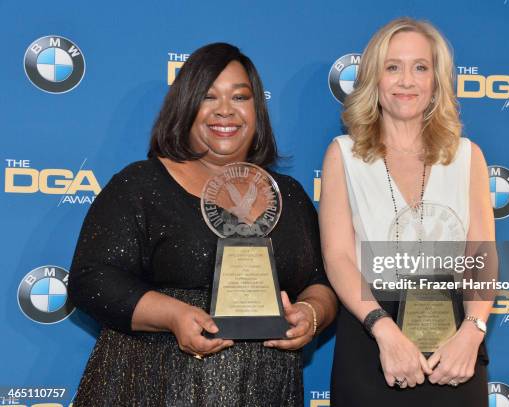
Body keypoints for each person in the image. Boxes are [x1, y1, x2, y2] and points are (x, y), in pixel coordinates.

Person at [68, 42, 337, 406]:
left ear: (257, 110)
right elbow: (91, 279)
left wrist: (311, 314)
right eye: (209, 97)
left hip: (264, 390)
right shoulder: (143, 184)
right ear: (186, 107)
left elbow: (319, 282)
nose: (225, 111)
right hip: (156, 387)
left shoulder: (288, 194)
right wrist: (173, 315)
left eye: (240, 97)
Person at [319, 17, 495, 406]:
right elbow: (338, 257)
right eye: (392, 67)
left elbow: (480, 254)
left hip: (455, 345)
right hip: (371, 335)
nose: (406, 81)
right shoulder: (343, 154)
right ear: (373, 79)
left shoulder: (467, 156)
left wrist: (473, 330)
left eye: (420, 67)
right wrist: (384, 331)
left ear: (436, 81)